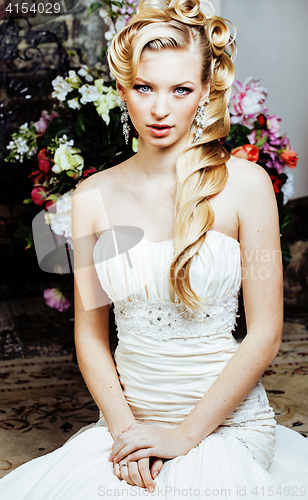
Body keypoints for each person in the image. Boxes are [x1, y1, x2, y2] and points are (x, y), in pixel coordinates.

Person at [1, 0, 308, 498]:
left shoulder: (248, 186)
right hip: (129, 422)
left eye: (181, 89)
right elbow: (91, 339)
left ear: (206, 91)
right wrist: (127, 437)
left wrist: (184, 436)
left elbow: (266, 332)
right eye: (144, 87)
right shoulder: (90, 198)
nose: (160, 109)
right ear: (123, 89)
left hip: (227, 427)